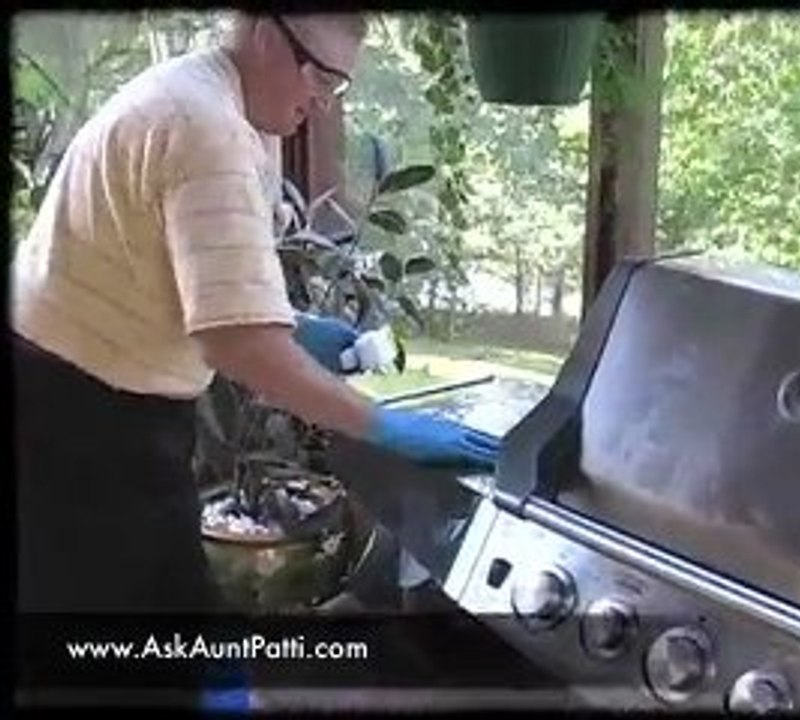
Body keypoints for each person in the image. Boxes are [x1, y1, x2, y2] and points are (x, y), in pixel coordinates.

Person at [12, 10, 496, 708]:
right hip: (75, 410)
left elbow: (197, 281)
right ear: (266, 33)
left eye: (338, 85)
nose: (321, 101)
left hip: (87, 390)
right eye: (320, 76)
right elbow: (237, 345)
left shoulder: (220, 103)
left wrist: (291, 326)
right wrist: (383, 427)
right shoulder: (205, 125)